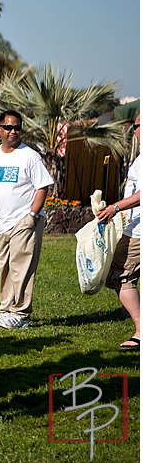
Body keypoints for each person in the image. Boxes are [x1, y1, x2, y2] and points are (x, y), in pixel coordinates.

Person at [0, 110, 53, 329]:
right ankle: (6, 310)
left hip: (25, 221)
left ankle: (21, 314)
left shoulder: (30, 156)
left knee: (22, 267)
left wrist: (32, 215)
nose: (13, 131)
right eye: (8, 127)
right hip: (4, 222)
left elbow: (43, 186)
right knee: (5, 266)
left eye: (17, 127)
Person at [96, 114, 140, 351]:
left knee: (120, 276)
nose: (135, 131)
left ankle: (141, 331)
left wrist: (115, 208)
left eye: (136, 127)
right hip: (134, 227)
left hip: (139, 232)